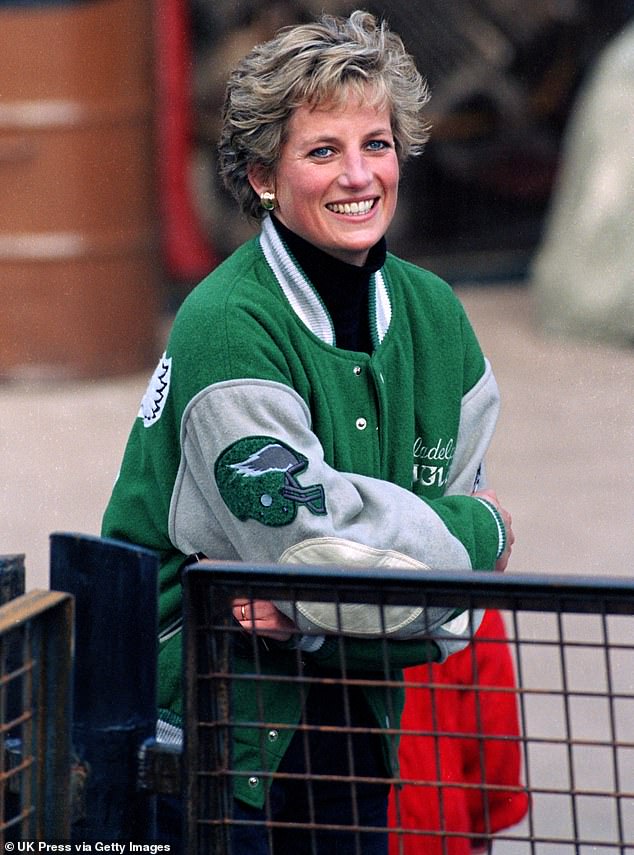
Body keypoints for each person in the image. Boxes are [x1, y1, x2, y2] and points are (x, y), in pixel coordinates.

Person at [102, 10, 514, 853]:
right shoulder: (226, 322)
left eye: (378, 144)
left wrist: (317, 608)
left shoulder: (439, 322)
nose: (359, 175)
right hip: (213, 729)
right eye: (322, 151)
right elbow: (317, 549)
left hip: (361, 728)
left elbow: (454, 602)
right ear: (261, 176)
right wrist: (482, 531)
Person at [389, 609, 529, 854]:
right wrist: (481, 823)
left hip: (323, 819)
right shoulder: (466, 594)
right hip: (431, 825)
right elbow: (493, 737)